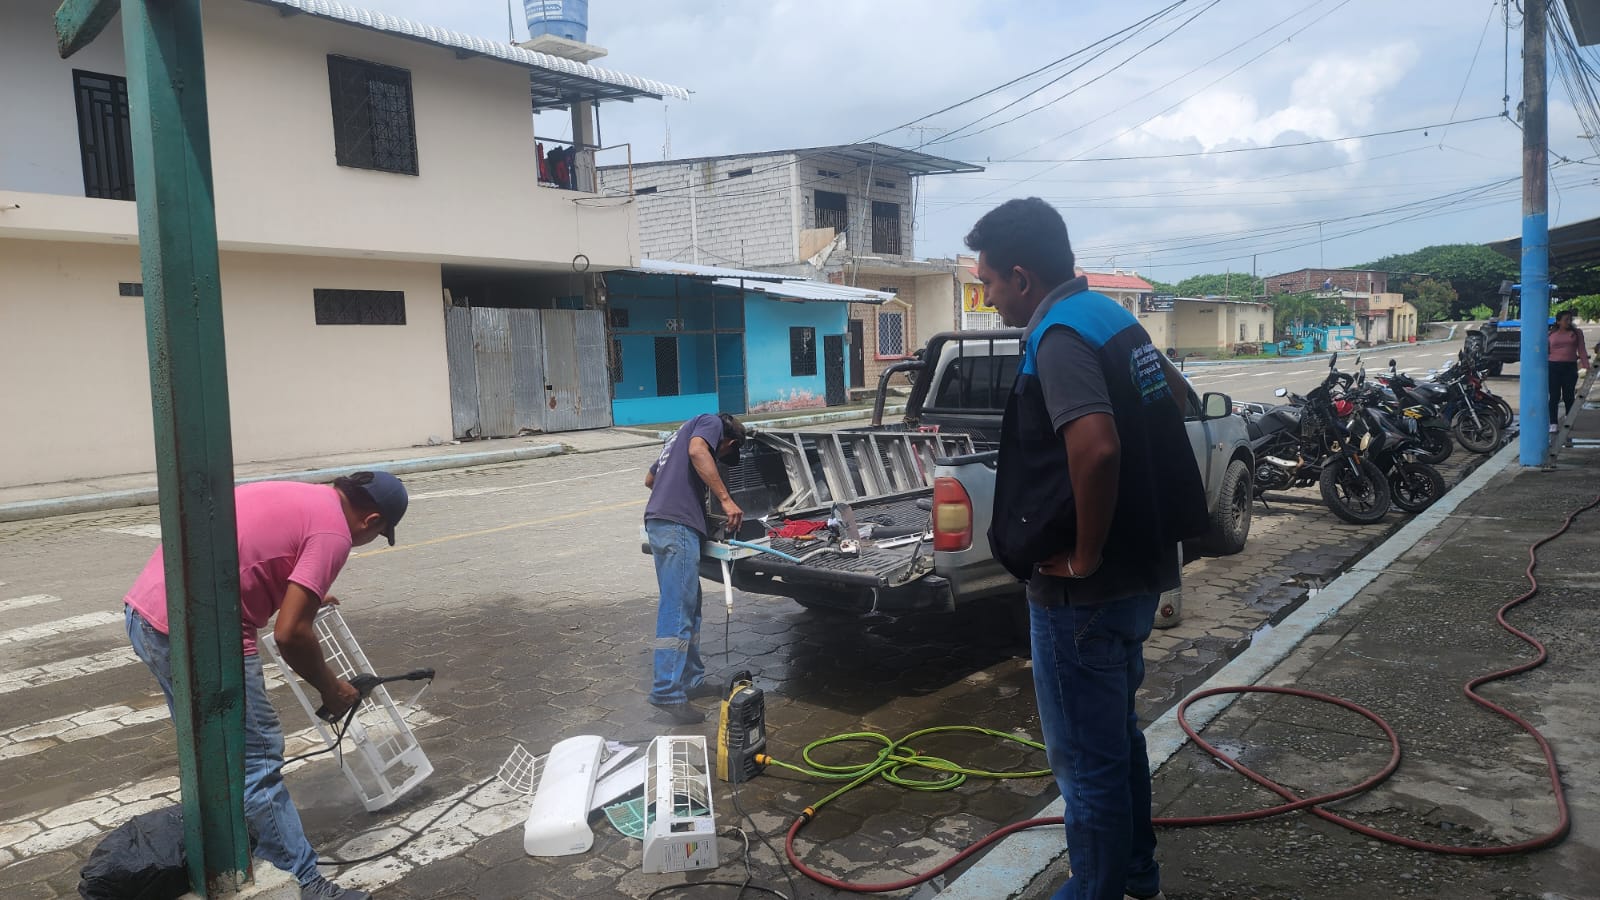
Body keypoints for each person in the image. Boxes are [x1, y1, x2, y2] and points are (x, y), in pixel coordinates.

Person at [966, 198, 1208, 900]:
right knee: (1115, 738)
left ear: (1021, 277)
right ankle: (1135, 873)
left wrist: (1085, 553)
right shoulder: (1112, 317)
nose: (987, 299)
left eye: (989, 283)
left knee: (1084, 762)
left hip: (1085, 593)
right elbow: (1176, 399)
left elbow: (1097, 448)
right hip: (1139, 572)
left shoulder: (1060, 335)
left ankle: (1096, 888)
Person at [124, 471, 409, 900]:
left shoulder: (299, 494)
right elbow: (291, 634)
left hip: (149, 616)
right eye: (378, 534)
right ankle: (305, 884)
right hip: (205, 636)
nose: (368, 540)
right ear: (371, 521)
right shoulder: (335, 533)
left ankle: (224, 858)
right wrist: (330, 689)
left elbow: (255, 554)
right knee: (255, 759)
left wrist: (305, 592)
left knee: (210, 753)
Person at [642, 413, 746, 725]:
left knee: (690, 606)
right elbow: (699, 451)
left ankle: (691, 681)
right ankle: (666, 691)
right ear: (729, 442)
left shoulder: (677, 437)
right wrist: (725, 500)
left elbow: (650, 480)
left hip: (661, 523)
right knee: (677, 609)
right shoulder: (710, 422)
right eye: (723, 454)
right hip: (677, 527)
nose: (718, 457)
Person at [1548, 309, 1590, 434]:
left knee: (1569, 395)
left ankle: (1568, 419)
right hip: (1554, 366)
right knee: (1554, 396)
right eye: (1566, 320)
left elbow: (1582, 349)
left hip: (1570, 367)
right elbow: (1546, 350)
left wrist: (1586, 366)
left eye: (1570, 319)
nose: (1568, 322)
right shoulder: (1551, 334)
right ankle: (1553, 423)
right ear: (1558, 321)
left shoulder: (1576, 333)